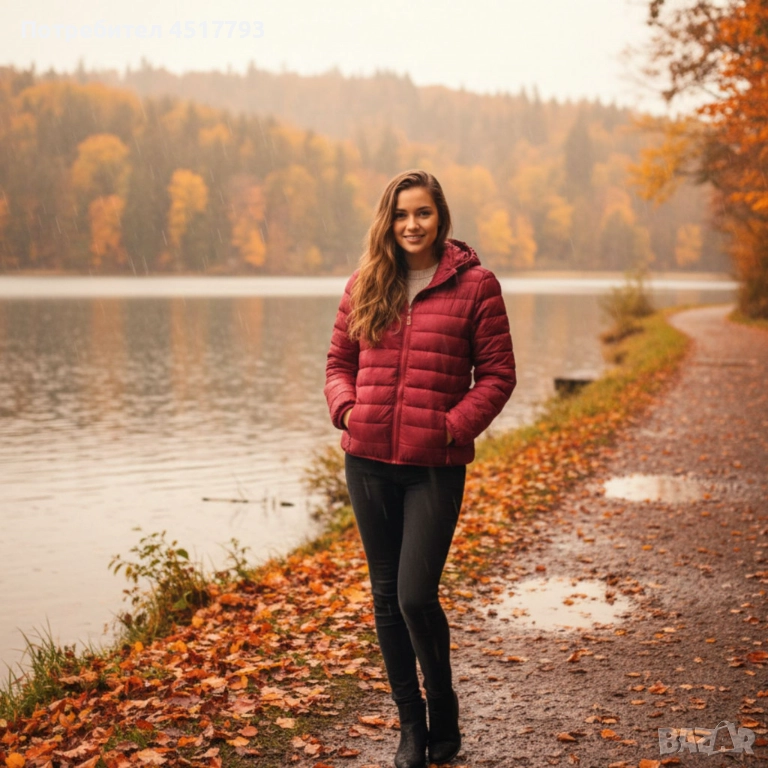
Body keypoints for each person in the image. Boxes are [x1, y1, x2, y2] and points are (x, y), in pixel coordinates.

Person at [324, 169, 516, 768]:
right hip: (367, 463)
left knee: (414, 595)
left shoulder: (476, 286)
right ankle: (411, 724)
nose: (412, 224)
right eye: (402, 214)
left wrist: (452, 427)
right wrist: (348, 411)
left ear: (441, 218)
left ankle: (443, 705)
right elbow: (337, 365)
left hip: (434, 465)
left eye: (423, 213)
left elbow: (498, 376)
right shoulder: (365, 283)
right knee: (385, 597)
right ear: (388, 220)